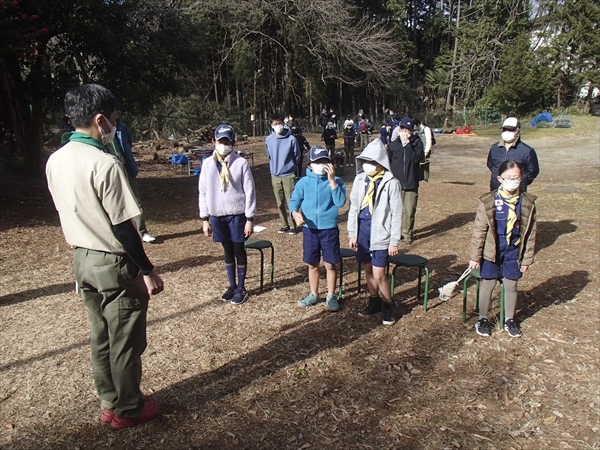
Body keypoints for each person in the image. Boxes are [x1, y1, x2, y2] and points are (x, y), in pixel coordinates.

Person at [45, 83, 164, 429]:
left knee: (100, 336)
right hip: (113, 263)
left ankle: (109, 402)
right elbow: (124, 227)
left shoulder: (55, 160)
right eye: (113, 119)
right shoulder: (105, 163)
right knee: (125, 338)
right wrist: (147, 269)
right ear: (100, 120)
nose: (115, 125)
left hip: (81, 258)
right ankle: (129, 409)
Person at [468, 160, 537, 338]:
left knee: (511, 285)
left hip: (513, 250)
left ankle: (509, 319)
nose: (513, 181)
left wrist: (527, 258)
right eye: (509, 178)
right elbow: (479, 231)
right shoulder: (488, 201)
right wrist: (475, 257)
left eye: (517, 178)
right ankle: (482, 319)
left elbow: (531, 233)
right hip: (493, 249)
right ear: (500, 178)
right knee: (488, 284)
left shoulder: (527, 202)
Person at [199, 124, 256, 305]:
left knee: (239, 249)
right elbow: (203, 191)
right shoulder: (207, 164)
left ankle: (241, 287)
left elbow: (249, 191)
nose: (224, 144)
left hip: (237, 214)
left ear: (233, 142)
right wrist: (205, 218)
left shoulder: (240, 163)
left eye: (227, 141)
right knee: (227, 250)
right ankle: (231, 285)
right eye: (220, 141)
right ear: (213, 141)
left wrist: (249, 218)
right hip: (217, 215)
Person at [348, 139, 403, 326]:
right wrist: (352, 233)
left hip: (381, 233)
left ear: (380, 163)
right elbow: (354, 207)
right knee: (368, 269)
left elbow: (396, 213)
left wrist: (394, 240)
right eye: (364, 161)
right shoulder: (359, 180)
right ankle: (374, 301)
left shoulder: (391, 183)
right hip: (363, 229)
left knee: (380, 273)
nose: (366, 165)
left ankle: (389, 303)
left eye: (370, 162)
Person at [289, 146, 347, 312]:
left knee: (330, 264)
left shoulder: (337, 181)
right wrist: (294, 213)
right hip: (310, 229)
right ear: (310, 165)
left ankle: (331, 295)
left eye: (324, 161)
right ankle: (314, 294)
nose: (321, 165)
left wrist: (332, 181)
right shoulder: (303, 182)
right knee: (313, 263)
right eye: (317, 162)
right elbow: (294, 201)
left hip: (329, 229)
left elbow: (340, 202)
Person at [114, 119, 156, 242]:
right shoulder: (98, 129)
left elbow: (128, 144)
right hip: (110, 169)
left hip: (126, 167)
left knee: (135, 200)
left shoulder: (121, 127)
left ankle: (142, 232)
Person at [387, 117, 424, 245]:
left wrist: (407, 144)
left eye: (408, 130)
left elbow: (416, 159)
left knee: (409, 211)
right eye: (403, 129)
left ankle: (407, 233)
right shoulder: (392, 145)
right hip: (395, 184)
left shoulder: (417, 144)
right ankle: (394, 233)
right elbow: (388, 163)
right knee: (394, 211)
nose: (405, 132)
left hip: (411, 183)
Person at [265, 112, 301, 234]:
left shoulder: (291, 139)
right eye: (275, 124)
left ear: (283, 124)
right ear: (271, 125)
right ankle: (284, 224)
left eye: (279, 123)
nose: (278, 126)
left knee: (291, 200)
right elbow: (269, 155)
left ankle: (293, 225)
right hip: (275, 175)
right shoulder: (269, 140)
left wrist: (290, 167)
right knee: (279, 202)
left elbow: (297, 156)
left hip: (288, 175)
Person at [487, 117, 540, 192]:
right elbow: (490, 165)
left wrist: (521, 182)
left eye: (511, 129)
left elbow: (533, 171)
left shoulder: (527, 151)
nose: (507, 132)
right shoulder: (494, 148)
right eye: (505, 129)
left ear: (518, 131)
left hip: (518, 191)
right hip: (496, 189)